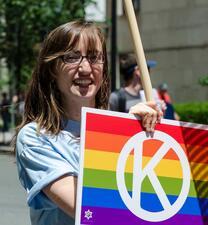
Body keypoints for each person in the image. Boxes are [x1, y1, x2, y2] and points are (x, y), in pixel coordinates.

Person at [15, 20, 162, 225]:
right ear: (52, 70)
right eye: (72, 57)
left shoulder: (122, 131)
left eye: (94, 57)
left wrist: (137, 133)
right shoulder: (36, 137)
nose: (85, 68)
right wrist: (123, 134)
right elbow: (91, 211)